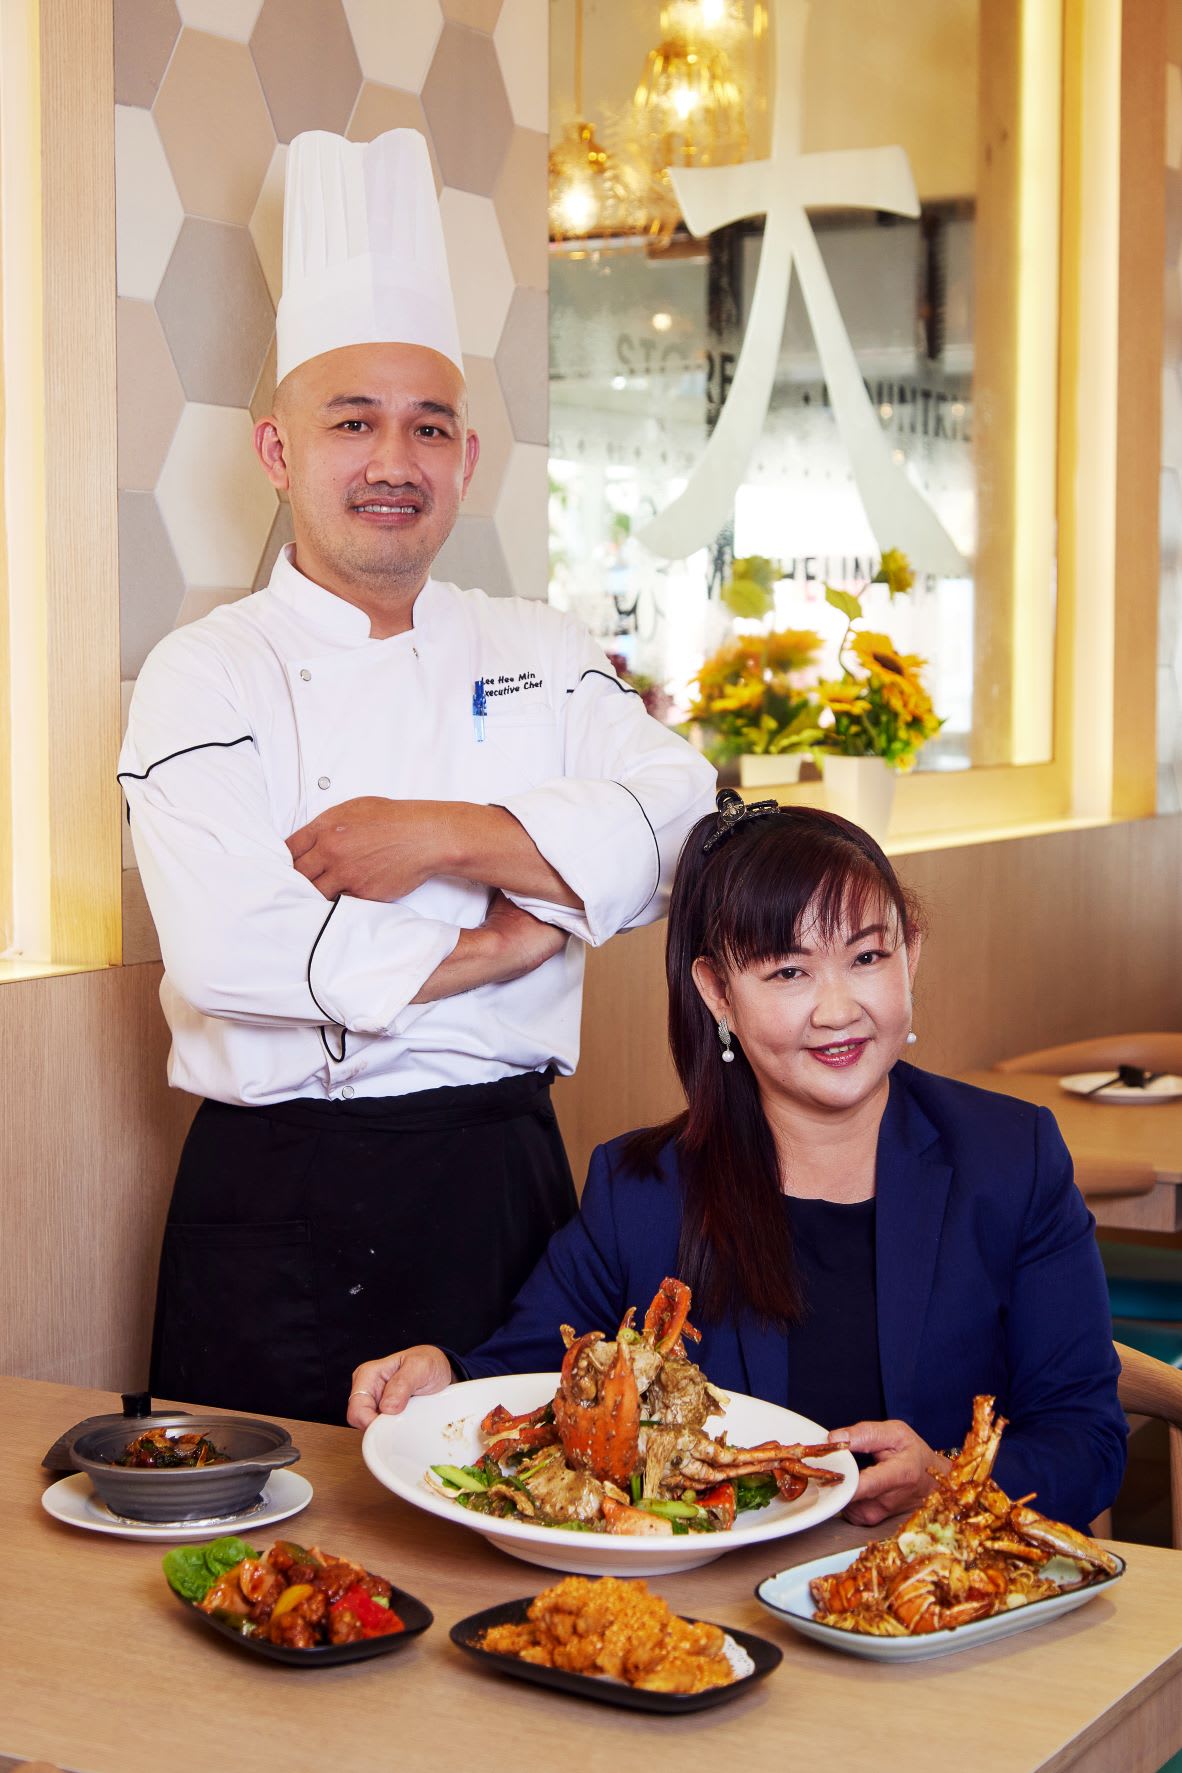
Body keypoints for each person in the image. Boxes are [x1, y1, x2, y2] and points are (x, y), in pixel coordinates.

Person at [118, 129, 715, 1425]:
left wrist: (436, 834)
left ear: (466, 461)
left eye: (427, 427)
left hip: (504, 1181)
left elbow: (684, 821)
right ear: (278, 452)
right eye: (352, 422)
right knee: (265, 1532)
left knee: (529, 1517)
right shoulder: (203, 672)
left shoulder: (540, 646)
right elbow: (229, 949)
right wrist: (501, 943)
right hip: (273, 1196)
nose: (394, 461)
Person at [349, 792, 1126, 1531]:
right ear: (718, 992)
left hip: (932, 1590)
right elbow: (525, 1381)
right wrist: (441, 1375)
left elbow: (1088, 1441)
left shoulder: (1010, 1157)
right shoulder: (641, 1189)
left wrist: (950, 1479)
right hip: (712, 1600)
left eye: (867, 956)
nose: (838, 1008)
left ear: (909, 955)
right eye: (788, 971)